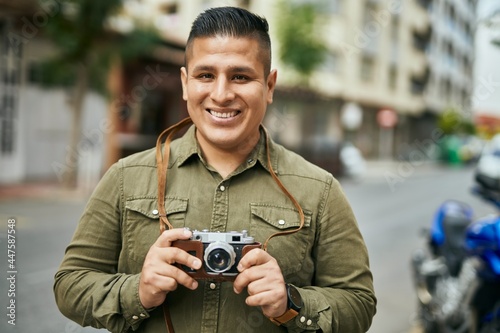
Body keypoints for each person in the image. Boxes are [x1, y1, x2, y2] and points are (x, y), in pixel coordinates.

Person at [54, 6, 376, 333]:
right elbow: (70, 285)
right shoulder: (125, 177)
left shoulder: (319, 190)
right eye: (206, 75)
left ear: (269, 85)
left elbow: (359, 304)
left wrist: (291, 303)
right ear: (185, 83)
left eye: (240, 76)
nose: (221, 95)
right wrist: (138, 291)